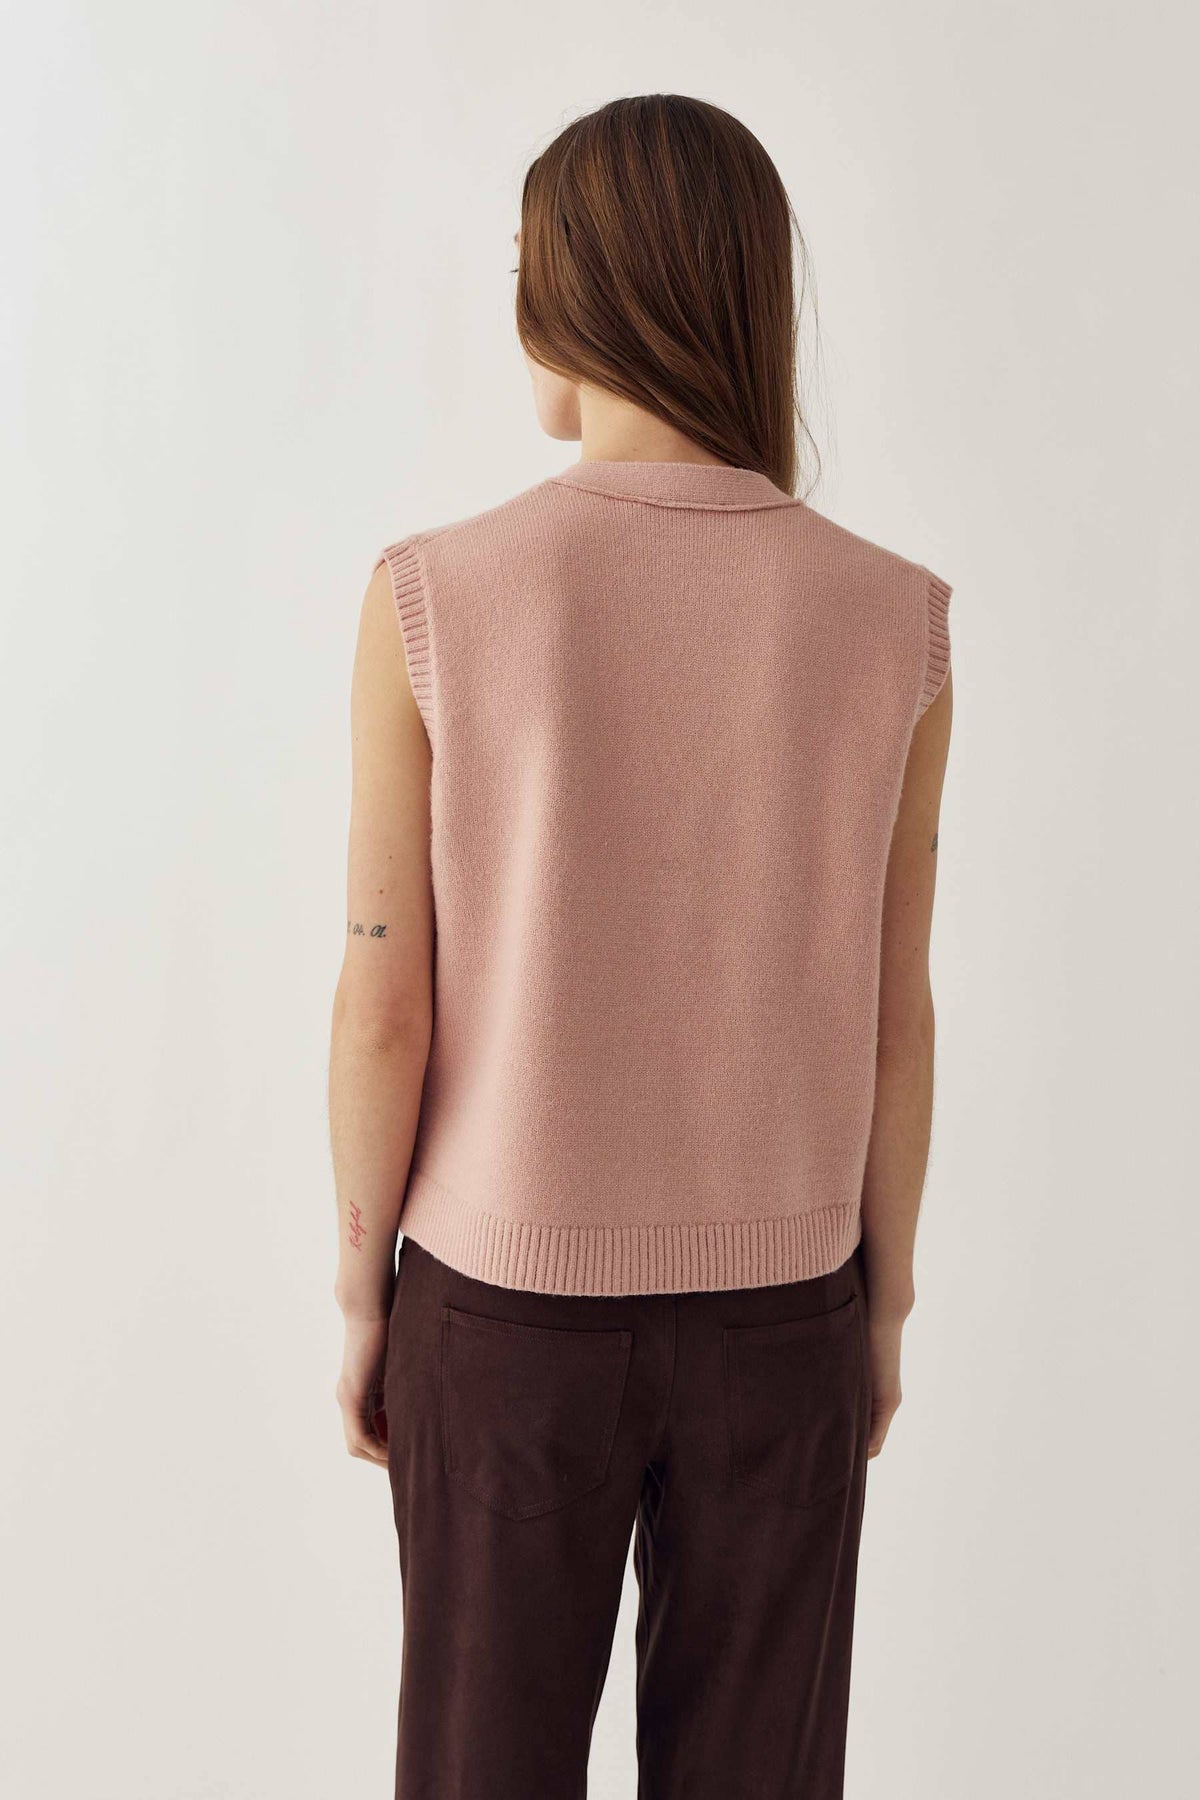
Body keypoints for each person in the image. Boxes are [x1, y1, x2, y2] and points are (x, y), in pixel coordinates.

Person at [329, 92, 953, 1800]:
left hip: (501, 1319)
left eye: (526, 264)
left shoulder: (433, 596)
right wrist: (884, 1303)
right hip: (789, 1313)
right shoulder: (895, 619)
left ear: (584, 290)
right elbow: (894, 1013)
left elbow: (385, 1002)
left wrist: (361, 1289)